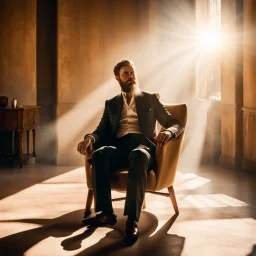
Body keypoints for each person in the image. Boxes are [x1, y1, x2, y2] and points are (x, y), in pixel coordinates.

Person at [77, 59, 184, 244]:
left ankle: (132, 220)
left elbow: (175, 123)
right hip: (119, 147)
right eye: (125, 73)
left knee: (139, 154)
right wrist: (90, 138)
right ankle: (106, 214)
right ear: (117, 78)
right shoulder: (111, 104)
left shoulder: (150, 98)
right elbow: (101, 130)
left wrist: (168, 131)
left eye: (132, 72)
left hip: (144, 147)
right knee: (100, 154)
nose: (130, 76)